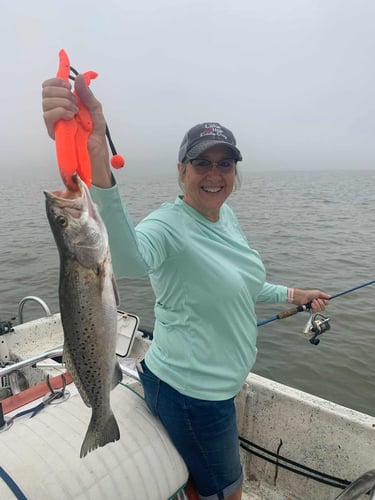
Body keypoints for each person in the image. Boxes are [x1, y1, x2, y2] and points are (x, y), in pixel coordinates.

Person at [42, 74, 330, 500]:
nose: (214, 174)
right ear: (181, 170)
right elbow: (126, 259)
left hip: (219, 388)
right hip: (194, 396)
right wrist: (96, 150)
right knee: (229, 491)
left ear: (235, 172)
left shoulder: (224, 217)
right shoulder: (167, 226)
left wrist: (293, 295)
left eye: (224, 164)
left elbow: (242, 283)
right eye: (202, 163)